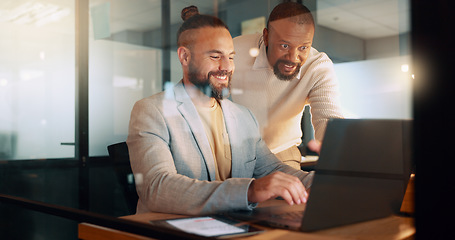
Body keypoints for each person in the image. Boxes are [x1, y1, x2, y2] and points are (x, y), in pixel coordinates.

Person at [126, 6, 313, 215]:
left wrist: (331, 183)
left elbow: (274, 171)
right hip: (170, 231)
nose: (226, 66)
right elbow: (157, 188)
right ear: (185, 57)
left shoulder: (244, 117)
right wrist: (249, 191)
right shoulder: (151, 111)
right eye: (215, 56)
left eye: (231, 57)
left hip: (233, 227)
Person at [231, 2, 344, 169]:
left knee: (293, 194)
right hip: (233, 155)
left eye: (303, 47)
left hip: (281, 153)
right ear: (266, 36)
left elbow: (328, 118)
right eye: (285, 46)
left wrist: (334, 145)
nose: (293, 57)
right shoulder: (234, 50)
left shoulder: (318, 66)